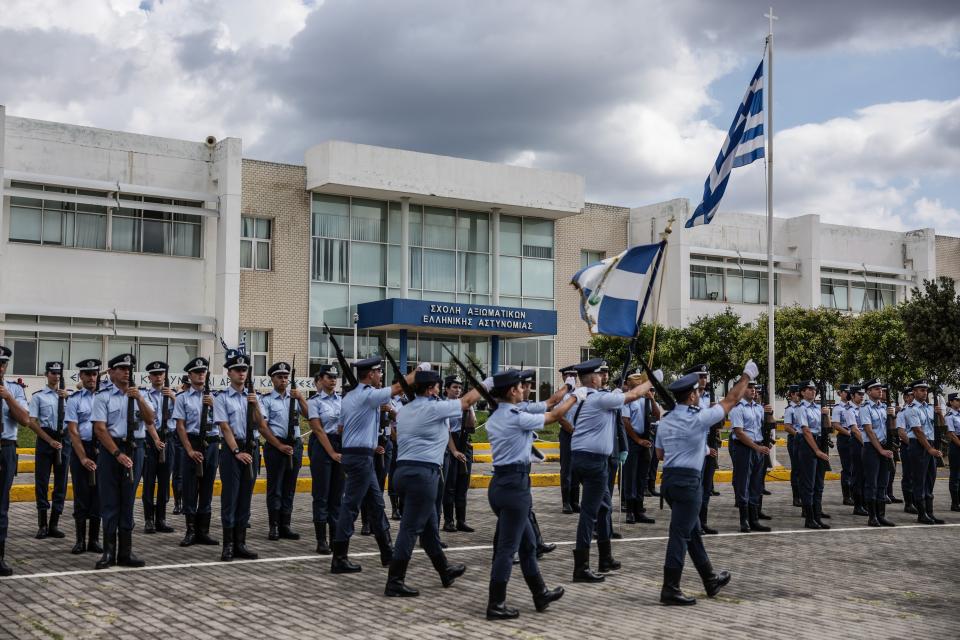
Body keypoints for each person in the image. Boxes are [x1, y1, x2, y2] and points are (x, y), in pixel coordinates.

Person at [656, 360, 755, 605]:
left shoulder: (666, 420)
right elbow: (731, 400)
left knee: (691, 532)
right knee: (679, 535)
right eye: (698, 392)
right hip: (688, 483)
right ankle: (670, 588)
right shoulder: (698, 417)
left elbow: (660, 454)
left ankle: (710, 579)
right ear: (691, 396)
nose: (700, 395)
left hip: (669, 480)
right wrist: (746, 376)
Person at [485, 369, 576, 619]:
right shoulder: (515, 416)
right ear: (512, 391)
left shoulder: (497, 416)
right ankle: (496, 603)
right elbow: (555, 415)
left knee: (527, 545)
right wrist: (577, 396)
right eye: (519, 387)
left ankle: (540, 593)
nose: (523, 390)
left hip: (501, 483)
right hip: (515, 486)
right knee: (507, 549)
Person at [384, 368, 482, 597]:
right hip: (423, 473)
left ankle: (444, 570)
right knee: (410, 528)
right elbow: (467, 400)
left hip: (404, 472)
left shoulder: (405, 410)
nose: (439, 390)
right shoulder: (434, 407)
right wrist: (488, 383)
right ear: (430, 389)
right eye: (437, 386)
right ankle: (394, 581)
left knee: (428, 528)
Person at [329, 356, 419, 574]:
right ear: (369, 375)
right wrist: (419, 372)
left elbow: (340, 428)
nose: (381, 375)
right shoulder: (368, 395)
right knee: (350, 507)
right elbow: (398, 388)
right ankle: (339, 558)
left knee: (377, 505)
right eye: (379, 372)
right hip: (360, 457)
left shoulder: (350, 397)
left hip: (358, 455)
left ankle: (387, 552)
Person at [569, 358, 653, 583]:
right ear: (594, 378)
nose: (603, 377)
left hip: (588, 460)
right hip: (593, 461)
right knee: (589, 513)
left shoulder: (584, 397)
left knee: (604, 507)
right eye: (600, 374)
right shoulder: (597, 397)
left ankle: (605, 557)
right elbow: (633, 395)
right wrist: (651, 380)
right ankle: (581, 567)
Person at [91, 353, 158, 569]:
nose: (126, 371)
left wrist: (138, 398)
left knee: (128, 501)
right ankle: (109, 552)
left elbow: (150, 420)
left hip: (135, 449)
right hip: (112, 452)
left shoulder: (139, 395)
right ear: (111, 372)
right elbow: (100, 429)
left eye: (128, 368)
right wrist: (117, 454)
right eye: (120, 368)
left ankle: (125, 552)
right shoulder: (103, 396)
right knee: (110, 501)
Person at [213, 350, 263, 561]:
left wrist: (256, 404)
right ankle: (228, 545)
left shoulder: (253, 396)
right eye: (237, 370)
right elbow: (225, 428)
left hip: (251, 448)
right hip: (232, 451)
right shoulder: (222, 398)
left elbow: (261, 423)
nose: (241, 374)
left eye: (244, 370)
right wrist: (236, 452)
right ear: (229, 373)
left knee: (245, 498)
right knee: (230, 498)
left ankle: (241, 543)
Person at [260, 361, 309, 541]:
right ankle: (273, 526)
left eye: (286, 377)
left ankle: (285, 525)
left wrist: (301, 398)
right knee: (275, 488)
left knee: (289, 487)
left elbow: (310, 416)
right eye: (279, 377)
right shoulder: (265, 400)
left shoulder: (294, 398)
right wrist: (279, 446)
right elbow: (263, 428)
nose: (283, 380)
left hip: (294, 445)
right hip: (276, 445)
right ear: (272, 379)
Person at [173, 357, 219, 547]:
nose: (201, 374)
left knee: (207, 488)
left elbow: (226, 422)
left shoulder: (217, 396)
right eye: (197, 372)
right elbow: (180, 426)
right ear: (190, 375)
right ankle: (191, 530)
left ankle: (204, 531)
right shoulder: (182, 398)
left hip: (211, 443)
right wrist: (189, 450)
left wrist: (215, 405)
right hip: (191, 442)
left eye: (203, 372)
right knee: (190, 488)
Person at [27, 361, 71, 540]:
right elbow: (32, 422)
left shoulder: (69, 396)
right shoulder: (39, 396)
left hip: (64, 440)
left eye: (59, 373)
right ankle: (42, 524)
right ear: (47, 374)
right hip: (46, 440)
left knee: (61, 483)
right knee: (42, 482)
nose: (56, 376)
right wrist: (50, 441)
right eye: (53, 373)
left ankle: (54, 523)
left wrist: (68, 397)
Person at [65, 358, 104, 555]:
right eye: (87, 374)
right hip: (82, 449)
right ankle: (80, 540)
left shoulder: (105, 397)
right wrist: (82, 458)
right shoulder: (74, 399)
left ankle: (94, 540)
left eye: (94, 374)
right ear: (81, 376)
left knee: (98, 495)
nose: (91, 377)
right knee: (81, 495)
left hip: (101, 450)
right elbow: (73, 431)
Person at [307, 364, 344, 554]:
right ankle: (321, 540)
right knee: (321, 494)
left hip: (339, 444)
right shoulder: (315, 401)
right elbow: (318, 429)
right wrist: (331, 453)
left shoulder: (342, 400)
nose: (332, 380)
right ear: (320, 379)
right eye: (328, 376)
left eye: (334, 377)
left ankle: (335, 537)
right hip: (322, 447)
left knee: (337, 495)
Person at [0, 346, 31, 576]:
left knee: (1, 506)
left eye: (2, 363)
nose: (0, 367)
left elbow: (25, 420)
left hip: (5, 449)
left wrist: (8, 398)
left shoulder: (14, 390)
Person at [728, 381, 772, 533]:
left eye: (754, 388)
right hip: (744, 449)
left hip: (758, 448)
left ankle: (754, 520)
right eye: (749, 387)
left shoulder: (759, 408)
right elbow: (739, 432)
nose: (753, 390)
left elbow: (764, 428)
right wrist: (756, 447)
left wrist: (769, 414)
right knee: (743, 484)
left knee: (756, 484)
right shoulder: (737, 408)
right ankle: (744, 520)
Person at [903, 380, 945, 524]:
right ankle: (922, 514)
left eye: (925, 390)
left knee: (930, 479)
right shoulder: (911, 409)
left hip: (930, 444)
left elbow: (940, 428)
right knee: (919, 480)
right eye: (921, 390)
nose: (924, 392)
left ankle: (930, 512)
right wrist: (930, 449)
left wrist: (940, 414)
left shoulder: (930, 408)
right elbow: (918, 431)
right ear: (913, 392)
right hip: (919, 445)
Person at [141, 361, 176, 534]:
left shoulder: (172, 395)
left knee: (164, 482)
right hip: (151, 441)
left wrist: (174, 398)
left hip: (168, 440)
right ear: (150, 377)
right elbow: (149, 420)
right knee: (149, 482)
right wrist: (155, 440)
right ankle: (149, 520)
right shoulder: (146, 395)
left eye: (161, 373)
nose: (158, 377)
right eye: (155, 374)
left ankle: (161, 519)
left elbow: (182, 416)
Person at [621, 372, 659, 526]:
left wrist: (653, 400)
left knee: (642, 476)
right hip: (633, 440)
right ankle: (630, 510)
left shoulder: (646, 400)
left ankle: (639, 509)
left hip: (646, 439)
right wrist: (637, 440)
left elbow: (657, 416)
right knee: (631, 476)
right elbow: (625, 421)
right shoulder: (628, 400)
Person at [441, 375, 476, 533]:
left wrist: (468, 411)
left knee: (463, 484)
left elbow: (471, 425)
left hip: (464, 442)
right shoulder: (444, 405)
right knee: (450, 485)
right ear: (447, 389)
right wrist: (454, 450)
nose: (458, 390)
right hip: (450, 444)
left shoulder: (465, 404)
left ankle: (461, 520)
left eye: (460, 388)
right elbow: (446, 431)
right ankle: (449, 521)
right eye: (454, 387)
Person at [858, 380, 895, 527]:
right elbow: (869, 430)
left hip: (885, 447)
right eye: (876, 388)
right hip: (872, 449)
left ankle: (881, 515)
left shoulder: (884, 408)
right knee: (871, 484)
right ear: (868, 392)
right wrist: (880, 450)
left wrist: (892, 416)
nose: (880, 391)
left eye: (881, 388)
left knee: (883, 483)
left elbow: (891, 429)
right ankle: (872, 517)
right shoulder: (865, 408)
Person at [797, 381, 832, 530]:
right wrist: (817, 451)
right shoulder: (801, 408)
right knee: (809, 484)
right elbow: (805, 430)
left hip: (820, 442)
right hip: (808, 444)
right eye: (809, 389)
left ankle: (817, 517)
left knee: (819, 484)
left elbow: (828, 428)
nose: (812, 392)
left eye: (814, 389)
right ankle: (809, 518)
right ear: (803, 392)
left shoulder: (819, 408)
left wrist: (827, 415)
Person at [556, 364, 579, 514]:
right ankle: (566, 502)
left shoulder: (581, 394)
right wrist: (570, 429)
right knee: (566, 469)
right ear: (564, 377)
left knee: (577, 468)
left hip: (579, 435)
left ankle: (575, 501)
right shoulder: (561, 396)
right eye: (569, 376)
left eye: (574, 376)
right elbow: (558, 415)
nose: (572, 378)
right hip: (567, 434)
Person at [829, 384, 853, 506]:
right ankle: (847, 496)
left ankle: (855, 494)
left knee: (856, 467)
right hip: (845, 438)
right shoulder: (838, 408)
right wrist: (849, 433)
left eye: (850, 392)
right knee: (847, 467)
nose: (848, 394)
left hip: (855, 438)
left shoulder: (854, 407)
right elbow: (836, 425)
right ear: (841, 393)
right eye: (846, 392)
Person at [896, 388, 916, 514]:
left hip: (920, 446)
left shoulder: (918, 410)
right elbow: (902, 432)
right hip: (908, 445)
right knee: (908, 475)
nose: (912, 398)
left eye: (913, 395)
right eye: (910, 395)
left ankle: (917, 500)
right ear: (905, 398)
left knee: (918, 475)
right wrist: (913, 444)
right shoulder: (902, 413)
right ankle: (909, 503)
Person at [783, 385, 803, 507]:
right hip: (795, 439)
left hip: (805, 439)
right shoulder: (789, 409)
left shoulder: (803, 407)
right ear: (790, 395)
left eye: (798, 393)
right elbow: (787, 427)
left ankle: (803, 494)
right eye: (795, 394)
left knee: (803, 469)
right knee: (796, 468)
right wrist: (798, 434)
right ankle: (796, 497)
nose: (797, 396)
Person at [945, 392, 960, 512]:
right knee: (955, 476)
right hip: (956, 446)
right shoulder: (949, 416)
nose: (959, 402)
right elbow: (951, 434)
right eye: (957, 400)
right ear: (951, 402)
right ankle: (955, 503)